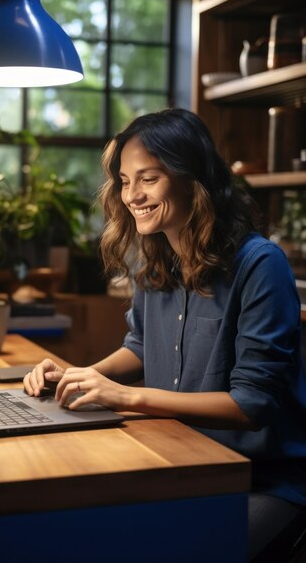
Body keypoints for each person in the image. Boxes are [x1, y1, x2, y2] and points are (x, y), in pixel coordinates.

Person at [24, 108, 306, 562]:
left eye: (148, 178)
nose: (131, 195)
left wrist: (125, 397)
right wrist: (78, 374)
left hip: (264, 480)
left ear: (192, 178)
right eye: (123, 180)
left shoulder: (260, 264)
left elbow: (252, 404)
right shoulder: (155, 263)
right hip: (181, 462)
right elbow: (139, 345)